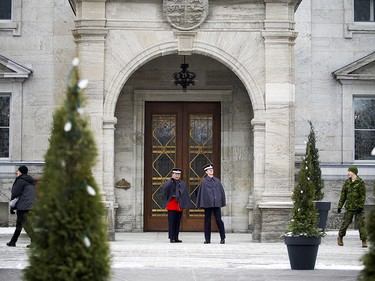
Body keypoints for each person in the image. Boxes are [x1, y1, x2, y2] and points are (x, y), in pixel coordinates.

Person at [337, 166, 367, 248]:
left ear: (354, 172)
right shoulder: (347, 183)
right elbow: (343, 195)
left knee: (361, 224)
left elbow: (363, 196)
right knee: (345, 223)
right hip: (349, 207)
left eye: (349, 171)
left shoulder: (360, 182)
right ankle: (340, 237)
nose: (348, 173)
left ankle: (364, 240)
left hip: (358, 208)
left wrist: (360, 206)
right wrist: (340, 206)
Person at [161, 168, 194, 243]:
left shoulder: (182, 183)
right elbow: (164, 188)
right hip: (172, 204)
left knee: (177, 222)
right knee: (172, 222)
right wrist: (171, 180)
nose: (177, 176)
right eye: (175, 174)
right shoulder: (169, 182)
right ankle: (172, 237)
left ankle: (176, 237)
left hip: (179, 205)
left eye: (178, 174)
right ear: (172, 174)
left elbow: (184, 193)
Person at [6, 165, 36, 247]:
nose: (17, 172)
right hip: (29, 204)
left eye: (18, 171)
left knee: (25, 224)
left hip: (23, 205)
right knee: (19, 224)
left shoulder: (20, 180)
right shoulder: (30, 180)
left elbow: (15, 193)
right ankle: (13, 241)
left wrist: (12, 206)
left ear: (21, 172)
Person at [196, 163, 226, 244]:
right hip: (208, 204)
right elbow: (201, 193)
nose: (211, 170)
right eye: (209, 170)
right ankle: (207, 239)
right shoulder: (204, 182)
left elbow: (221, 192)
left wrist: (220, 201)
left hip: (216, 204)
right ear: (206, 172)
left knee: (219, 220)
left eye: (212, 169)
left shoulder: (217, 181)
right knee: (207, 221)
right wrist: (203, 203)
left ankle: (223, 238)